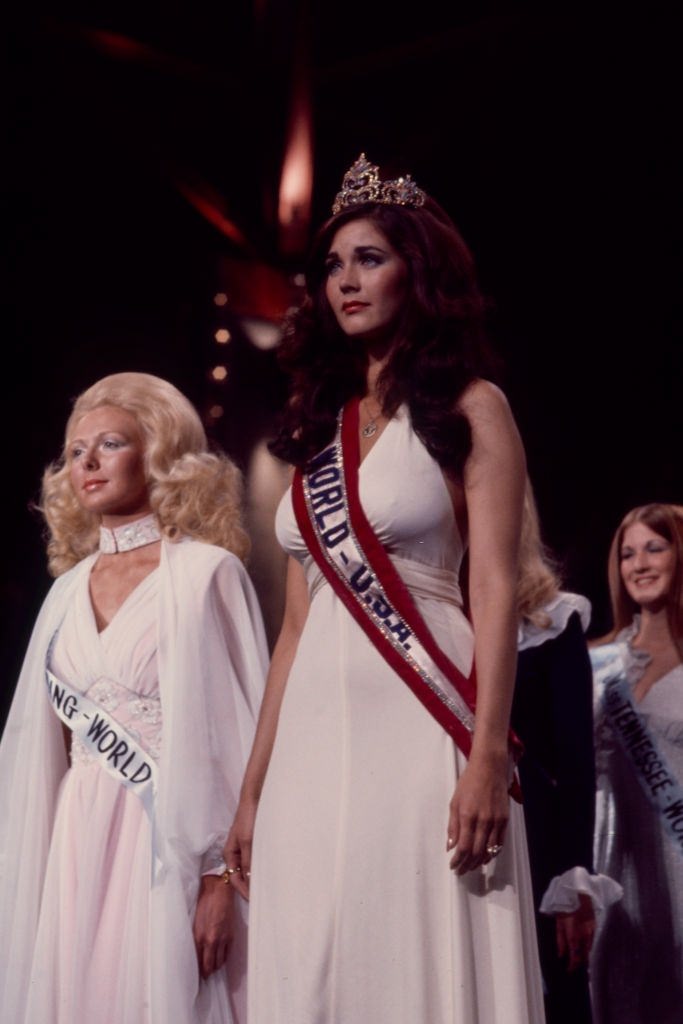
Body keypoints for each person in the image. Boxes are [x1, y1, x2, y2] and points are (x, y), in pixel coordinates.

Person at [224, 152, 545, 1023]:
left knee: (413, 947)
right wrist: (253, 788)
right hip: (312, 743)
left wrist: (484, 758)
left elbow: (493, 589)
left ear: (420, 270)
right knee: (313, 953)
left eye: (369, 258)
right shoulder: (315, 429)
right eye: (332, 265)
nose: (344, 281)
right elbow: (294, 628)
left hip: (423, 716)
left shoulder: (472, 407)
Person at [0, 372, 269, 1024]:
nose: (86, 463)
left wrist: (219, 882)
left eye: (110, 443)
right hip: (76, 839)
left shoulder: (207, 574)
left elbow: (240, 737)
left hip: (167, 843)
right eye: (74, 452)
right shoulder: (64, 592)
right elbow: (39, 749)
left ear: (156, 454)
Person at [510, 481, 621, 1024]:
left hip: (537, 849)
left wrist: (574, 884)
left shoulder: (554, 619)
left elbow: (576, 764)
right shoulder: (434, 619)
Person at [589, 502, 683, 1024]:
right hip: (615, 877)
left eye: (655, 547)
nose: (639, 564)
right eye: (628, 554)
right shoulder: (597, 663)